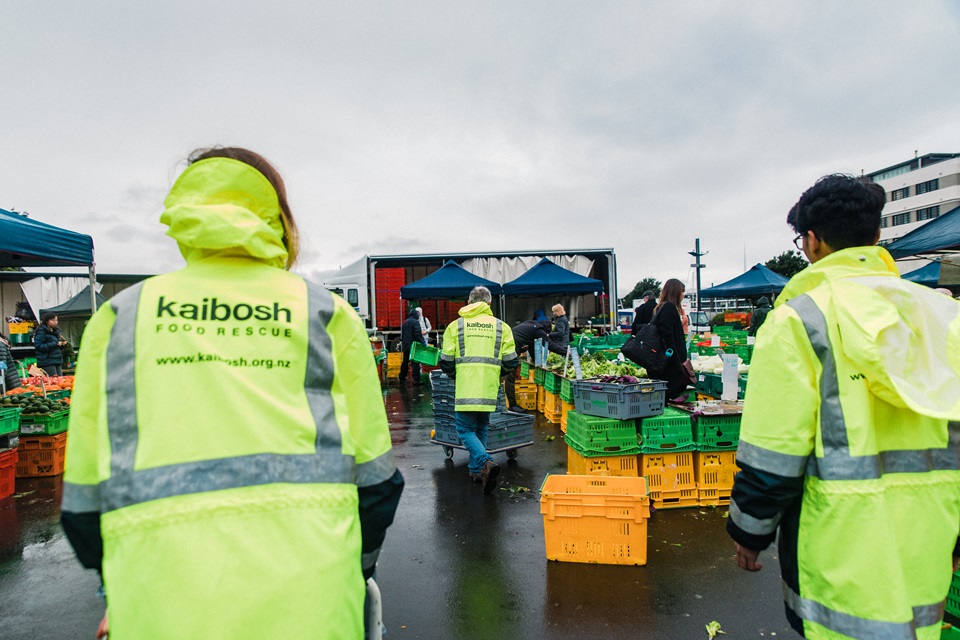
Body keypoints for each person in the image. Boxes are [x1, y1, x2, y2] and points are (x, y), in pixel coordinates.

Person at [60, 147, 404, 639]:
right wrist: (354, 571)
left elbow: (81, 504)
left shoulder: (119, 320)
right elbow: (377, 486)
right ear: (278, 216)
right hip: (311, 608)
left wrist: (122, 589)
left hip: (160, 611)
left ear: (183, 213)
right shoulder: (326, 315)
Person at [727, 174, 960, 640]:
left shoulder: (798, 320)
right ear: (876, 236)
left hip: (837, 549)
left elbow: (773, 456)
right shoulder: (939, 314)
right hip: (930, 541)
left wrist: (749, 534)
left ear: (812, 242)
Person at [440, 286, 517, 494]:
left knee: (465, 430)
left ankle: (485, 461)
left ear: (468, 302)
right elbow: (511, 361)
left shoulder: (455, 327)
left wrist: (458, 375)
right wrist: (496, 374)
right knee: (481, 428)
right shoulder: (502, 327)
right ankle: (477, 470)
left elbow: (446, 361)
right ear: (489, 304)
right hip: (489, 388)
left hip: (465, 388)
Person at [505, 319, 565, 412]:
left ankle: (509, 403)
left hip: (508, 344)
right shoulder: (538, 330)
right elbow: (550, 345)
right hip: (511, 349)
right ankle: (512, 406)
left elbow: (531, 346)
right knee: (510, 377)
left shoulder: (531, 325)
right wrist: (566, 352)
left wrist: (536, 361)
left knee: (506, 376)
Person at [646, 279, 689, 403]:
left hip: (665, 363)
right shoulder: (669, 307)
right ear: (675, 292)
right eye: (682, 291)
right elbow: (667, 336)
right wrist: (675, 361)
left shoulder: (661, 308)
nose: (683, 295)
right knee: (670, 396)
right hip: (669, 365)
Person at [34, 312, 66, 377]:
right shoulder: (41, 331)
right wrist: (54, 344)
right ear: (47, 321)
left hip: (57, 360)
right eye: (53, 320)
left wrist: (62, 344)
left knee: (60, 381)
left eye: (56, 320)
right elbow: (38, 346)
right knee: (52, 382)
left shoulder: (56, 331)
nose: (55, 322)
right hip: (47, 361)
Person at [399, 307, 425, 385]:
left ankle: (402, 378)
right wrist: (422, 342)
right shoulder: (415, 322)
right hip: (413, 345)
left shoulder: (405, 322)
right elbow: (417, 334)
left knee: (405, 362)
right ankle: (416, 380)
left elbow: (402, 334)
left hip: (405, 345)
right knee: (415, 362)